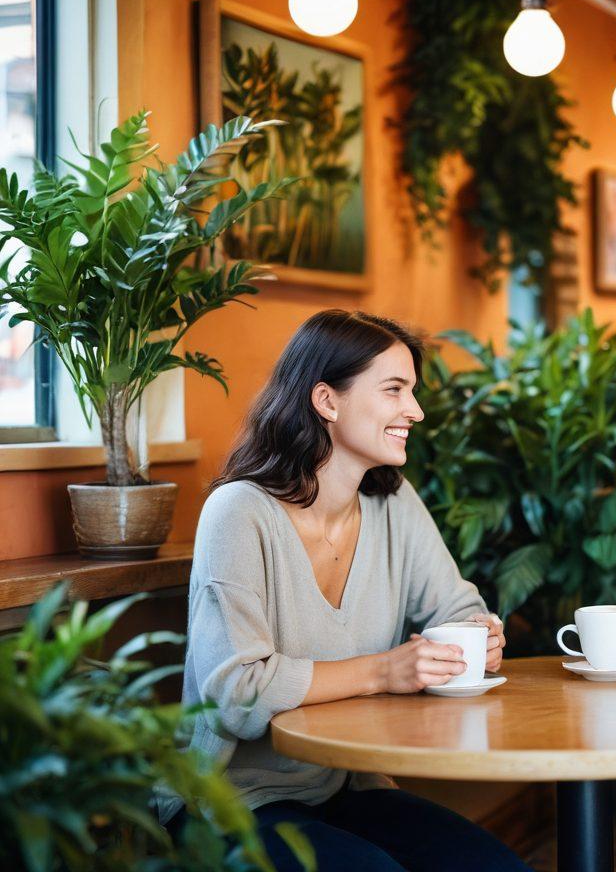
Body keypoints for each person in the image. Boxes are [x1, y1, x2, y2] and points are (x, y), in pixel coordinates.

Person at [159, 310, 532, 872]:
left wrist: (477, 635)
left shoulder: (392, 502)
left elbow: (456, 606)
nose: (416, 410)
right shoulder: (238, 513)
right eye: (394, 390)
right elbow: (235, 694)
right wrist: (385, 671)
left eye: (412, 390)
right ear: (327, 401)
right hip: (230, 801)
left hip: (348, 786)